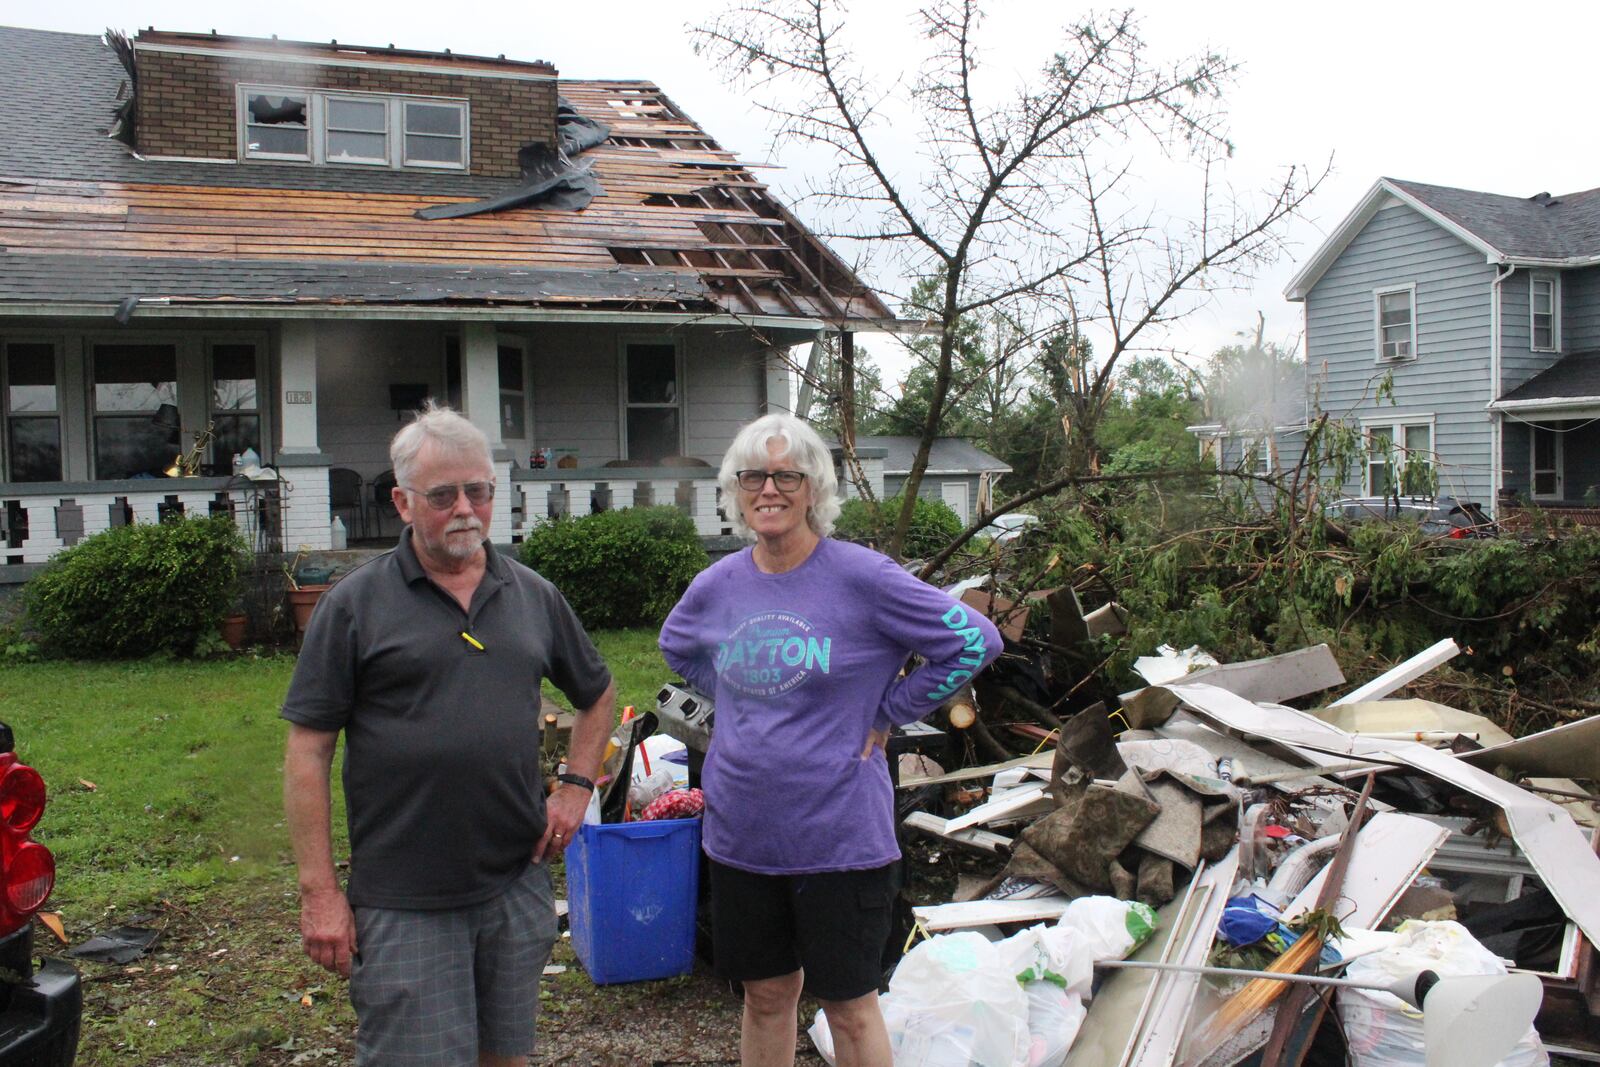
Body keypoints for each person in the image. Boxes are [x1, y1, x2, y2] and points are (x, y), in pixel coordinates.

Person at [659, 413, 1002, 1067]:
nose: (769, 488)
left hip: (840, 837)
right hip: (741, 835)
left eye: (786, 474)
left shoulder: (863, 577)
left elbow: (972, 640)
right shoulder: (719, 584)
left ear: (813, 487)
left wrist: (889, 710)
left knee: (848, 1006)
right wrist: (737, 697)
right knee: (764, 995)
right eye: (753, 475)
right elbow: (676, 645)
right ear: (736, 490)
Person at [282, 402, 615, 1067]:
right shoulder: (354, 605)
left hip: (514, 884)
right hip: (406, 899)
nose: (465, 507)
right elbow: (308, 751)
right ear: (404, 503)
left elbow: (597, 693)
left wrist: (577, 786)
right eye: (442, 495)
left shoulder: (532, 594)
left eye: (479, 490)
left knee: (506, 1057)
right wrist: (320, 892)